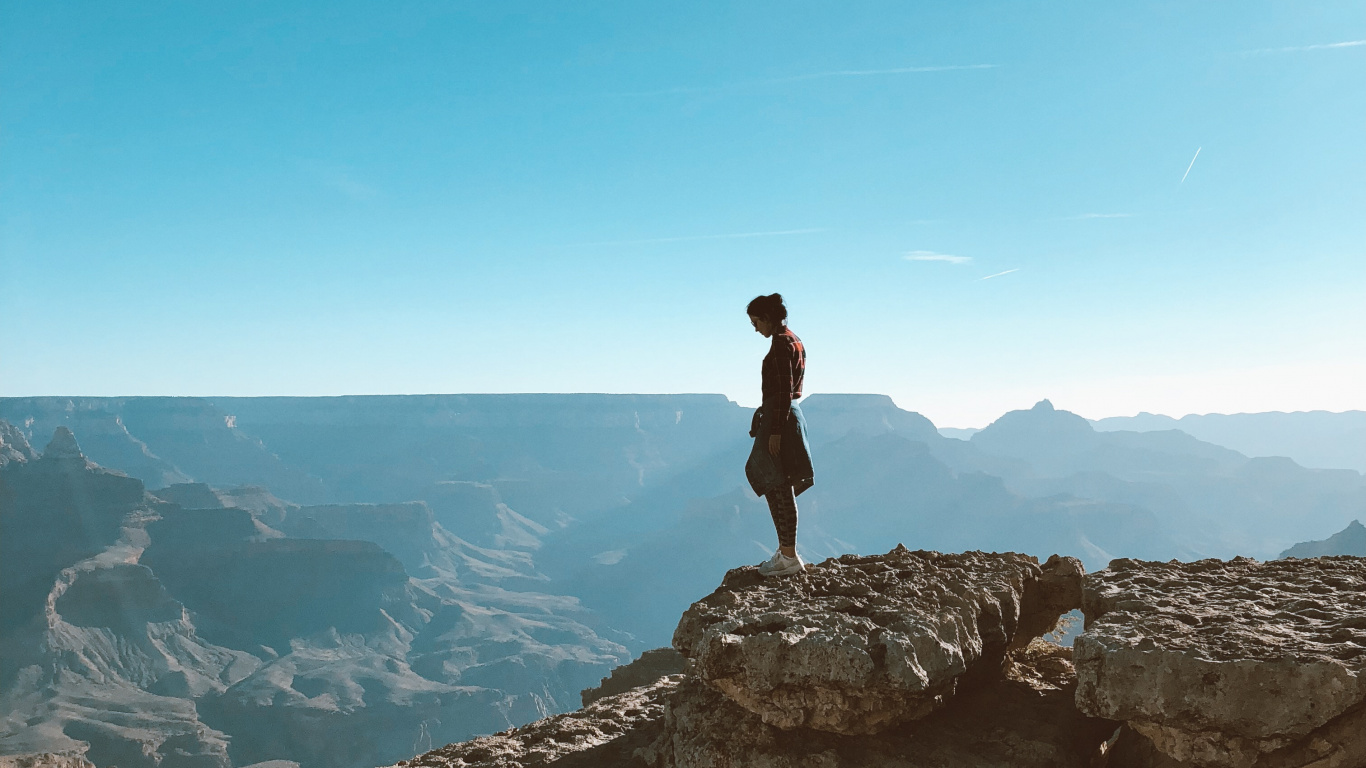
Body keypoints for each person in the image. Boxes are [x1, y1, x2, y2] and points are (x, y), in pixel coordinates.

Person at [744, 293, 814, 578]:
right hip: (784, 415)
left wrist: (774, 430)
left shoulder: (782, 343)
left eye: (756, 322)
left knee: (778, 484)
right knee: (778, 482)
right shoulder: (793, 339)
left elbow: (785, 389)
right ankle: (787, 551)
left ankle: (788, 556)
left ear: (768, 318)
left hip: (782, 420)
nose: (755, 328)